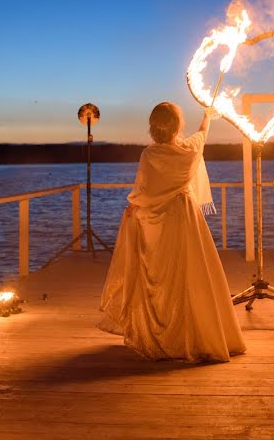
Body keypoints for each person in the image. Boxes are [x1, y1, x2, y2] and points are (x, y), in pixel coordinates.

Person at [98, 102, 246, 362]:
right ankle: (196, 335)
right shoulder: (187, 152)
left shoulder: (149, 155)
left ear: (153, 126)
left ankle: (160, 337)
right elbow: (201, 137)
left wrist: (133, 206)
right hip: (183, 217)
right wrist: (207, 117)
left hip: (155, 223)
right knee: (190, 275)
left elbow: (143, 190)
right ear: (178, 125)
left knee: (160, 277)